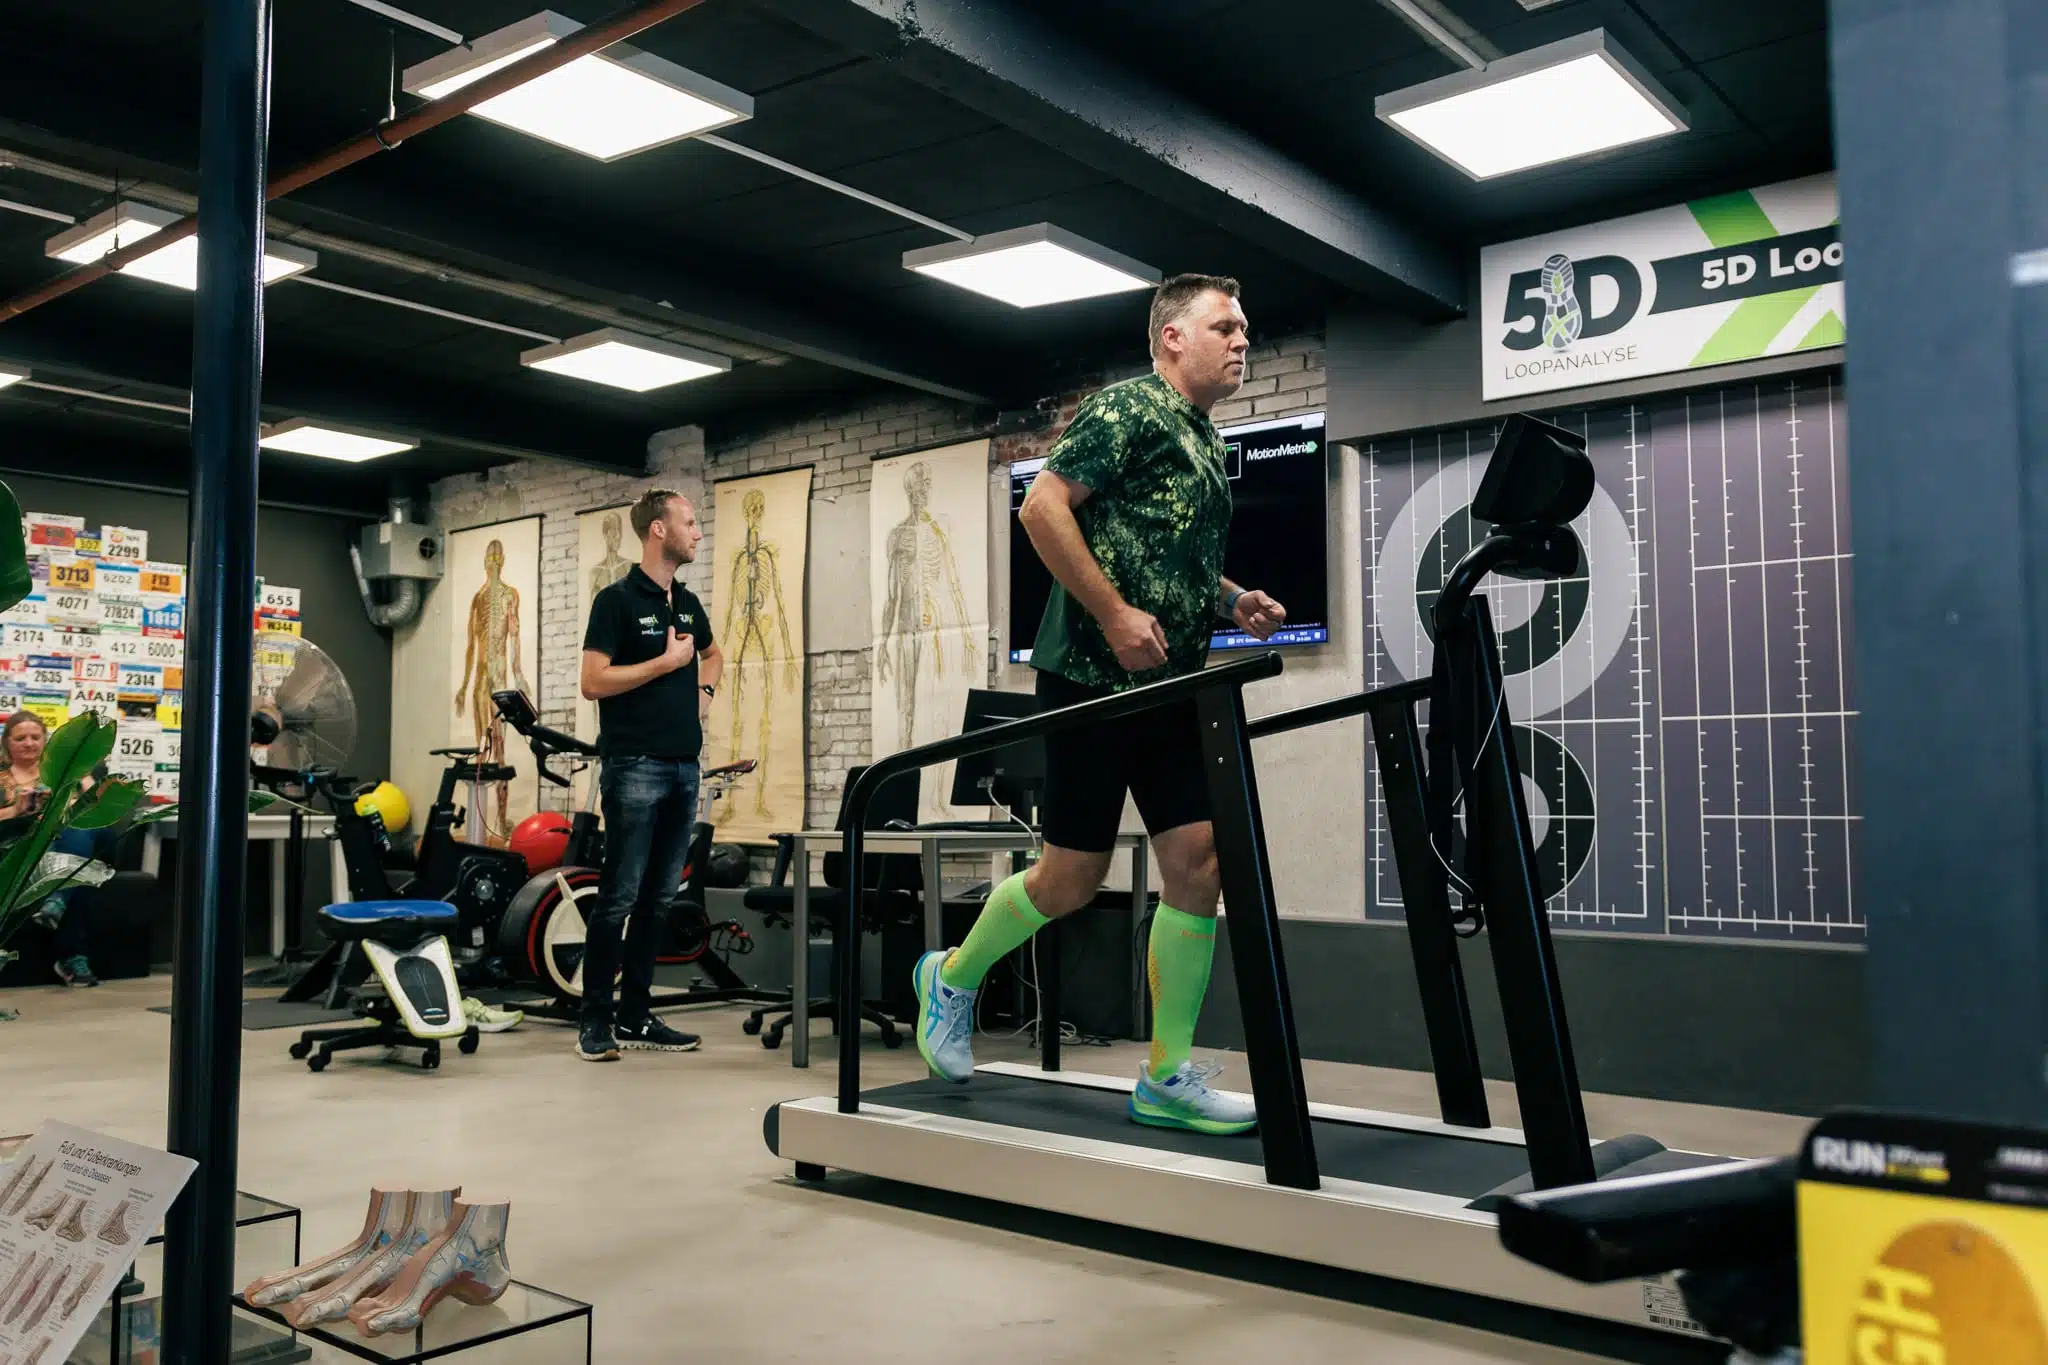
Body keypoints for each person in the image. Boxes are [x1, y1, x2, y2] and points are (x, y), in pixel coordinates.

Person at [911, 274, 1287, 1134]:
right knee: (1071, 880)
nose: (1242, 341)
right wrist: (1114, 615)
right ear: (1172, 340)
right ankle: (955, 976)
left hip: (1170, 687)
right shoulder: (1128, 409)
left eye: (1246, 328)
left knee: (1200, 864)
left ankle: (1165, 1075)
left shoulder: (1199, 437)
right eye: (1224, 326)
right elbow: (1043, 510)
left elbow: (1162, 551)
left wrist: (1234, 602)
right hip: (1089, 679)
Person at [577, 488, 723, 1062]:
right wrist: (664, 665)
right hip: (634, 765)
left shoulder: (686, 603)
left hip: (685, 766)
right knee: (618, 897)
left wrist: (703, 694)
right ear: (658, 530)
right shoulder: (614, 600)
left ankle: (636, 1015)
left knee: (659, 900)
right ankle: (595, 1023)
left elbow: (713, 653)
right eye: (690, 523)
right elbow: (593, 681)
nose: (698, 533)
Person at [0, 711, 105, 987]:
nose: (29, 743)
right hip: (23, 844)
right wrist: (17, 810)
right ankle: (73, 956)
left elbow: (96, 807)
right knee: (78, 872)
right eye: (20, 738)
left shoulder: (68, 770)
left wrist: (70, 798)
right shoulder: (2, 777)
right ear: (7, 742)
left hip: (68, 839)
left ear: (45, 740)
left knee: (78, 831)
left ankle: (55, 902)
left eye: (36, 737)